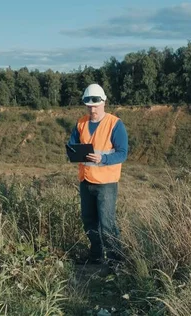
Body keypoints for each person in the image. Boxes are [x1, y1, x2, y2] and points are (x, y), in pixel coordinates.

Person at [67, 83, 129, 265]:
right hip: (85, 180)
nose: (92, 109)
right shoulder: (80, 123)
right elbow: (72, 146)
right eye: (89, 105)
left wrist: (102, 158)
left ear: (104, 102)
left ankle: (115, 260)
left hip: (106, 183)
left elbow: (122, 153)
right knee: (89, 221)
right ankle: (95, 255)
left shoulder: (115, 124)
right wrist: (71, 153)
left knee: (107, 224)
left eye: (96, 104)